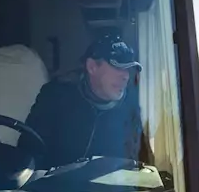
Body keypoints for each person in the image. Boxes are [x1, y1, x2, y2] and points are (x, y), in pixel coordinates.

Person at [20, 33, 145, 172]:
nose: (125, 76)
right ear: (92, 67)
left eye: (127, 69)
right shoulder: (56, 96)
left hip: (110, 191)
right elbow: (29, 150)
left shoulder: (131, 106)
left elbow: (135, 161)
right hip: (56, 189)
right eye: (117, 67)